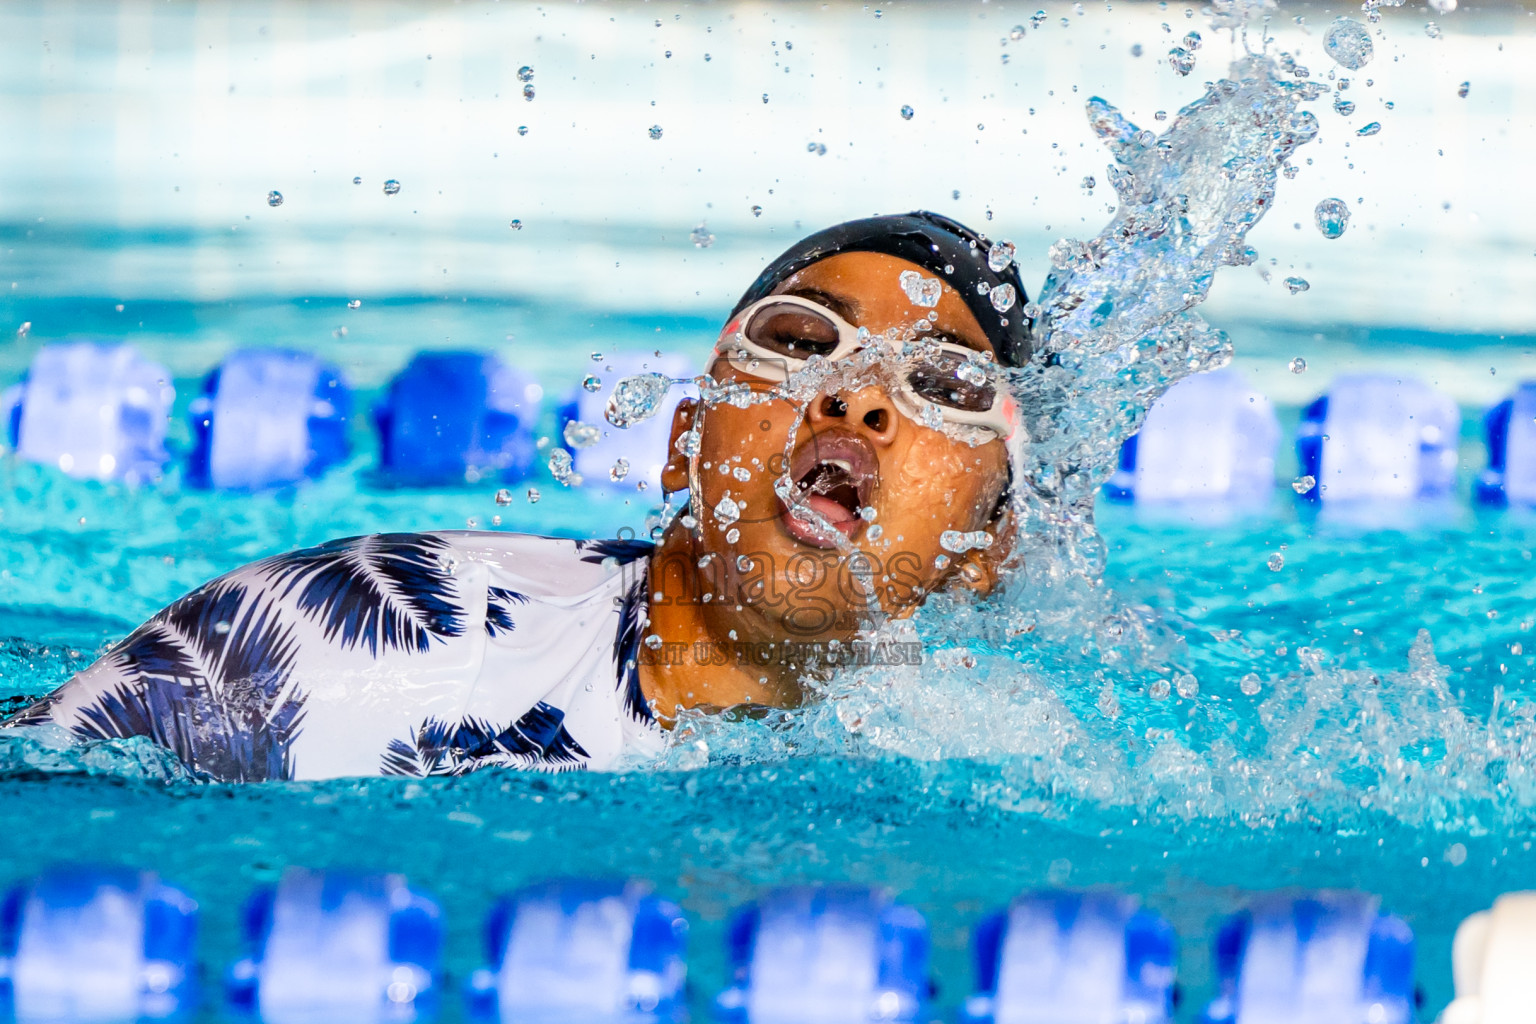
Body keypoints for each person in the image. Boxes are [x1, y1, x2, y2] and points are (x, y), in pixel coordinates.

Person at [1, 212, 1031, 781]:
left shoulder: (997, 757)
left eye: (943, 386)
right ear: (683, 444)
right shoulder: (386, 633)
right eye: (802, 341)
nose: (854, 395)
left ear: (991, 551)